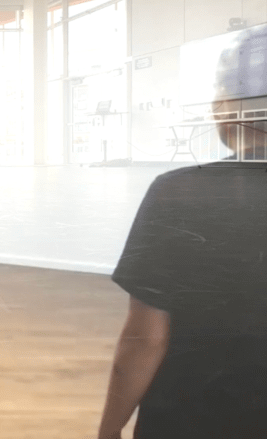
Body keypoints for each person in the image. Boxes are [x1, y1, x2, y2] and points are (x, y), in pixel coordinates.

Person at [97, 47, 267, 439]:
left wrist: (109, 429)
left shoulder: (179, 193)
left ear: (228, 107)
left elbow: (146, 339)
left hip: (188, 421)